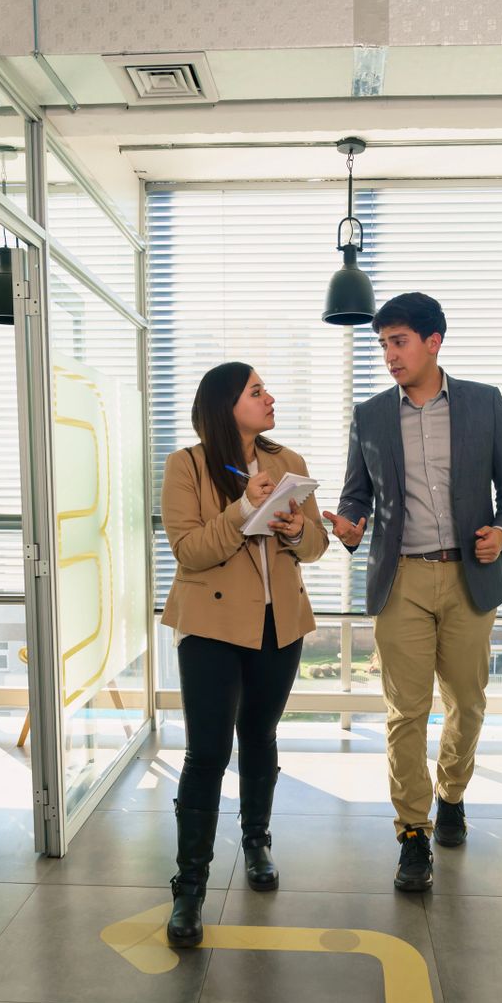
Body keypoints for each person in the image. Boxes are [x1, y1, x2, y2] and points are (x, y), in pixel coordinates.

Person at [323, 293, 502, 893]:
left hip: (470, 574)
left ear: (434, 341)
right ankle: (412, 831)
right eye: (381, 343)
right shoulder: (370, 416)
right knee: (405, 711)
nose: (388, 355)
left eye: (398, 341)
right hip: (401, 579)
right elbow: (356, 495)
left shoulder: (485, 404)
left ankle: (452, 791)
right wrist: (350, 522)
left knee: (466, 700)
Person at [161, 361, 328, 946]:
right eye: (257, 391)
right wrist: (241, 512)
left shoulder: (291, 464)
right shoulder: (186, 466)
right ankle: (190, 888)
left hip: (277, 626)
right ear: (226, 404)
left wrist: (289, 528)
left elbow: (316, 546)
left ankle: (256, 842)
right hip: (209, 626)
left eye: (266, 390)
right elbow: (188, 551)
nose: (270, 397)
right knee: (206, 752)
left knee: (259, 734)